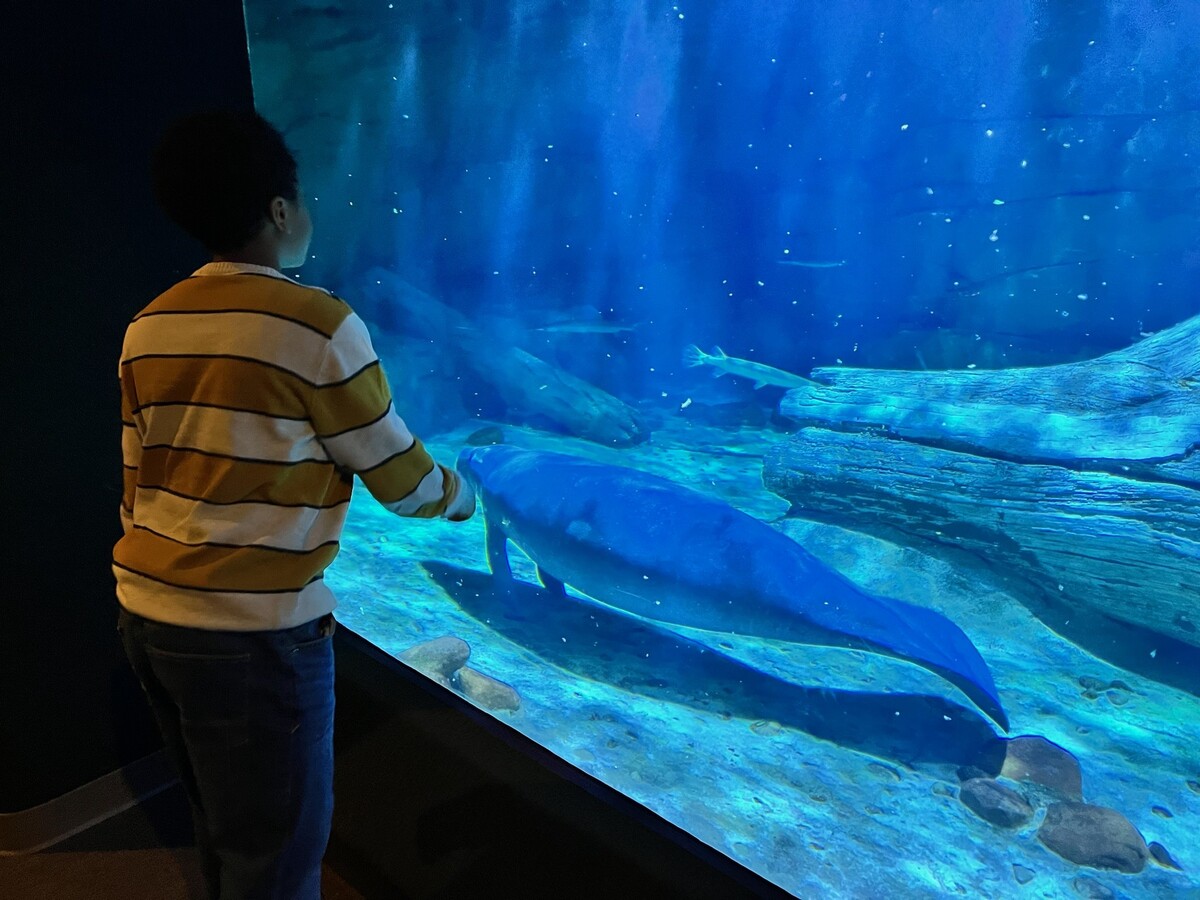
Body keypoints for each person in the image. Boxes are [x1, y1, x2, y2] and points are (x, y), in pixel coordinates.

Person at [114, 109, 475, 899]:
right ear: (281, 210)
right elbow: (404, 485)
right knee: (278, 858)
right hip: (253, 639)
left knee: (222, 827)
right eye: (302, 199)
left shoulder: (149, 324)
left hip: (148, 614)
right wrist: (461, 496)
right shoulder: (319, 324)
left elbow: (138, 482)